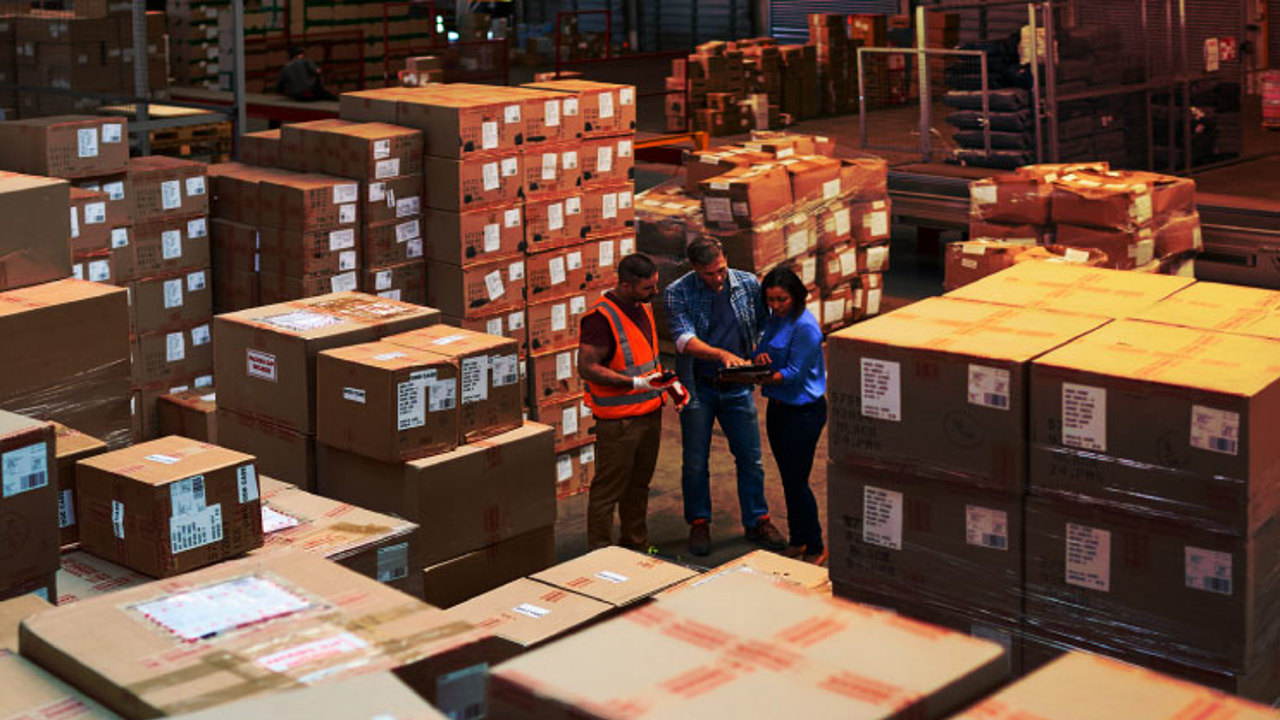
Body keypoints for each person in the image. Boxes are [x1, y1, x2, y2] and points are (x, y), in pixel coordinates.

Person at [664, 236, 785, 556]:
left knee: (751, 458)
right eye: (709, 274)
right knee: (694, 461)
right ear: (694, 269)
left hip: (738, 387)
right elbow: (683, 339)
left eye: (721, 270)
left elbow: (764, 326)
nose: (717, 279)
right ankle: (699, 522)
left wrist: (761, 352)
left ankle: (758, 519)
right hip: (698, 386)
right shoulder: (679, 292)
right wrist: (721, 355)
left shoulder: (748, 284)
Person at [579, 253, 687, 551]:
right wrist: (634, 383)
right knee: (608, 490)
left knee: (638, 486)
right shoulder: (600, 318)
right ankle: (599, 551)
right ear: (625, 285)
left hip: (650, 413)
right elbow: (587, 367)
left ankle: (635, 544)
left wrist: (669, 384)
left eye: (655, 285)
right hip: (619, 422)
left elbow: (645, 359)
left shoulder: (644, 307)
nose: (655, 292)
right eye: (647, 288)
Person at [752, 267, 828, 564]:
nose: (776, 305)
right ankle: (798, 540)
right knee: (788, 479)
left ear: (796, 296)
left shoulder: (806, 327)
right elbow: (763, 347)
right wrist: (758, 359)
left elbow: (795, 374)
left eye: (781, 299)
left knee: (798, 481)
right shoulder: (776, 319)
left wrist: (763, 378)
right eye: (770, 300)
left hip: (803, 413)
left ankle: (816, 545)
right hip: (778, 408)